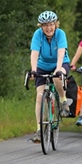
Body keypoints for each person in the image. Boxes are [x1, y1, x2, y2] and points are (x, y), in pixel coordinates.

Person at [29, 11, 71, 143]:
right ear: (41, 26)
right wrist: (34, 70)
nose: (49, 28)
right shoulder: (38, 34)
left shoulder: (60, 34)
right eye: (45, 25)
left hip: (60, 62)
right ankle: (39, 131)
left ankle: (63, 101)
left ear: (55, 24)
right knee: (40, 96)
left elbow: (61, 53)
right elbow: (34, 53)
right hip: (43, 64)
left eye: (51, 24)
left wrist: (58, 68)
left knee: (56, 78)